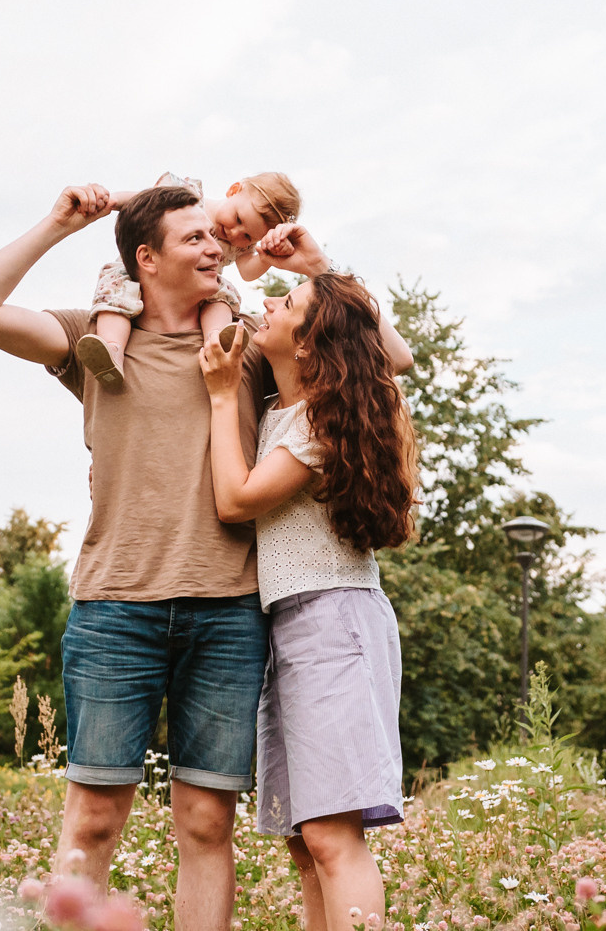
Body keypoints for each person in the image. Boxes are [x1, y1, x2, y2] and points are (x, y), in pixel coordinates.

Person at [0, 183, 407, 931]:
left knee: (205, 824)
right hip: (113, 607)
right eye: (193, 238)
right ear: (146, 258)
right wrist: (60, 223)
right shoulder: (89, 343)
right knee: (92, 820)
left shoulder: (250, 344)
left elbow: (381, 356)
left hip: (229, 613)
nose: (216, 247)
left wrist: (318, 263)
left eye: (212, 236)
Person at [199, 272, 419, 931]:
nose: (266, 303)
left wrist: (217, 397)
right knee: (307, 840)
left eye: (287, 302)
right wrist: (317, 265)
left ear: (310, 341)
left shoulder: (322, 421)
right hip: (292, 627)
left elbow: (235, 499)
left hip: (333, 623)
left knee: (331, 835)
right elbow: (389, 352)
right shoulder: (280, 407)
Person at [75, 171, 303, 393]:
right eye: (238, 219)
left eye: (248, 236)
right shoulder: (189, 199)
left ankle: (216, 341)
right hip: (141, 268)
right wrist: (112, 201)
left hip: (197, 285)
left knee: (223, 294)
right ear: (234, 190)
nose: (234, 233)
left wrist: (267, 256)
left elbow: (247, 272)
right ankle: (111, 349)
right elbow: (140, 200)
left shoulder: (241, 246)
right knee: (116, 292)